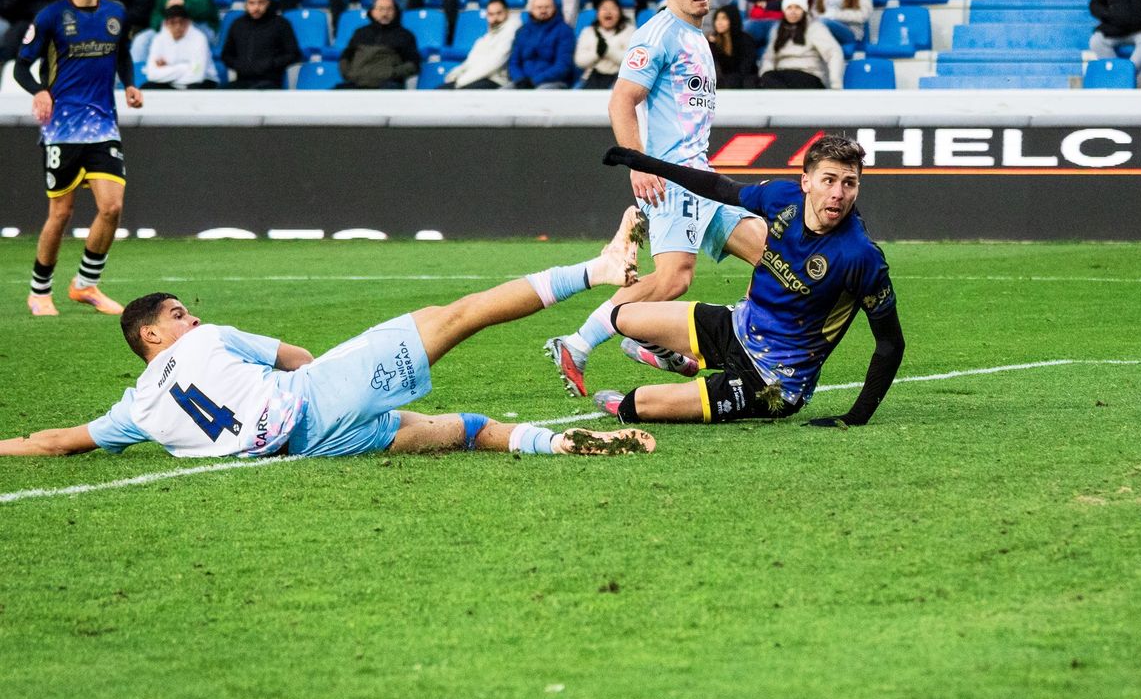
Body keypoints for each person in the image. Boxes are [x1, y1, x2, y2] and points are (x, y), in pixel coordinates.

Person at [0, 220, 656, 460]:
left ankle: (562, 444)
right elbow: (300, 360)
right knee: (457, 315)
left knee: (466, 429)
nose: (190, 320)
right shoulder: (209, 341)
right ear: (150, 334)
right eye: (178, 314)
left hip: (311, 449)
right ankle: (595, 270)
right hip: (315, 400)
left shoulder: (134, 409)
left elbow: (53, 442)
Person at [545, 0, 768, 398]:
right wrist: (637, 166)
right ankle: (578, 344)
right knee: (673, 279)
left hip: (701, 176)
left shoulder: (697, 38)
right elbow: (621, 100)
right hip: (674, 177)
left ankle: (685, 341)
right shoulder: (658, 34)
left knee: (773, 256)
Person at [593, 135, 903, 429]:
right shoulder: (782, 198)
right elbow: (721, 188)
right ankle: (681, 362)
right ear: (806, 182)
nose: (838, 193)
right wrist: (646, 163)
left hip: (772, 382)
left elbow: (891, 344)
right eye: (829, 180)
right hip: (737, 326)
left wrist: (855, 417)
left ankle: (645, 400)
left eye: (849, 183)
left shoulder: (861, 256)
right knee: (623, 315)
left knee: (635, 404)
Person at [14, 0, 143, 317]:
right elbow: (23, 65)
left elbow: (123, 56)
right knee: (62, 213)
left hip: (103, 125)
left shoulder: (116, 13)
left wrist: (130, 83)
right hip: (62, 128)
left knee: (112, 207)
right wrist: (39, 91)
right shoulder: (51, 17)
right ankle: (39, 291)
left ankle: (85, 285)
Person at [758, 0, 844, 88]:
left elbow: (833, 52)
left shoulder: (814, 27)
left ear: (804, 9)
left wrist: (835, 84)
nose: (793, 11)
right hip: (782, 76)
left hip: (808, 75)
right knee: (756, 80)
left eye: (797, 7)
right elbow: (769, 57)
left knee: (772, 82)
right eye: (789, 7)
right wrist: (766, 73)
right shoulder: (777, 29)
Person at [219, 0, 302, 89]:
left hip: (270, 82)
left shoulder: (280, 24)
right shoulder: (238, 24)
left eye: (260, 3)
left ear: (267, 3)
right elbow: (226, 55)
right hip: (242, 80)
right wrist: (238, 65)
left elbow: (294, 54)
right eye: (252, 3)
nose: (256, 7)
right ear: (246, 5)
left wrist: (270, 64)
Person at [338, 0, 421, 88]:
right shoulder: (360, 32)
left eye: (389, 9)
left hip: (387, 85)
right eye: (381, 9)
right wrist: (349, 74)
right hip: (356, 83)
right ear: (373, 12)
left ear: (395, 12)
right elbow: (346, 57)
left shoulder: (405, 35)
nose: (385, 13)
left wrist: (390, 74)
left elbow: (414, 65)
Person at [445, 0, 518, 89]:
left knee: (460, 93)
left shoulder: (512, 32)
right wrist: (454, 74)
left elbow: (494, 63)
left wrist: (462, 81)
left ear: (507, 13)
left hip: (495, 81)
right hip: (475, 79)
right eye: (491, 14)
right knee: (439, 91)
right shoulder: (484, 39)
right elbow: (469, 62)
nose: (495, 18)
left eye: (499, 13)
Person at [509, 0, 576, 87]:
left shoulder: (565, 31)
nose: (543, 11)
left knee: (539, 96)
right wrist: (520, 80)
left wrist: (533, 81)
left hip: (552, 82)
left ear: (554, 9)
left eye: (547, 7)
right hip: (522, 81)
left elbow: (562, 66)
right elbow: (513, 63)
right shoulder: (522, 31)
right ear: (531, 9)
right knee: (501, 94)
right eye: (539, 7)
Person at [143, 1, 217, 89]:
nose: (178, 26)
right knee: (147, 88)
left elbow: (197, 74)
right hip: (171, 82)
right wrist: (184, 67)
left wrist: (167, 70)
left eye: (181, 22)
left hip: (203, 80)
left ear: (188, 22)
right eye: (173, 22)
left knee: (195, 89)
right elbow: (151, 74)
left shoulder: (199, 38)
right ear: (166, 24)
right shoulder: (158, 39)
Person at [573, 0, 634, 90]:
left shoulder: (630, 30)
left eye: (613, 9)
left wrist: (608, 51)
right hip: (590, 78)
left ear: (620, 13)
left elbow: (632, 61)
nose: (608, 12)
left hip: (620, 79)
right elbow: (579, 61)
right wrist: (596, 54)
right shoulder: (588, 31)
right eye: (604, 8)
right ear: (597, 13)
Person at [708, 2, 759, 87]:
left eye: (724, 18)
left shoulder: (746, 40)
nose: (719, 22)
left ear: (732, 19)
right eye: (717, 19)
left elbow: (747, 67)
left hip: (745, 79)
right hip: (724, 82)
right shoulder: (713, 42)